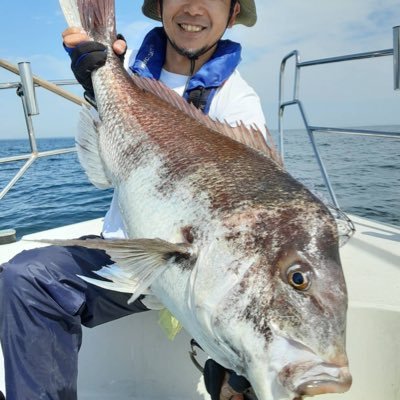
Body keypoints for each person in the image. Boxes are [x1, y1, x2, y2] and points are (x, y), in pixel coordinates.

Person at [0, 1, 266, 399]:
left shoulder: (238, 104)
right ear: (160, 8)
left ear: (232, 13)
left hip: (197, 271)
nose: (193, 8)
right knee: (25, 280)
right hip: (127, 252)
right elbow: (98, 174)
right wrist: (97, 91)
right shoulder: (129, 77)